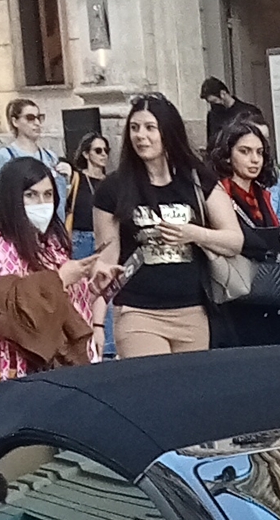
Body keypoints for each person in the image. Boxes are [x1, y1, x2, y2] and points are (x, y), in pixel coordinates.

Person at [90, 93, 237, 359]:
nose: (140, 136)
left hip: (192, 310)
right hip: (137, 311)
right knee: (154, 390)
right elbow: (107, 259)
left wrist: (192, 233)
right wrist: (97, 322)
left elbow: (234, 240)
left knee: (188, 397)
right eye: (134, 128)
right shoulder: (113, 188)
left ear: (168, 132)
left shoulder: (197, 179)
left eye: (149, 128)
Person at [0, 154, 102, 379]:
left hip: (69, 367)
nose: (42, 204)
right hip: (23, 371)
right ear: (12, 199)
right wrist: (60, 278)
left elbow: (65, 307)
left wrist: (93, 288)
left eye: (48, 195)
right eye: (31, 195)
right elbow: (9, 311)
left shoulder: (53, 244)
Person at [204, 113, 280, 350]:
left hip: (268, 293)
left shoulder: (263, 194)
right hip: (235, 294)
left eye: (259, 152)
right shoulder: (218, 193)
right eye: (245, 151)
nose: (254, 159)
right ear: (227, 156)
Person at [0, 95, 69, 204]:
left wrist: (68, 177)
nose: (37, 123)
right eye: (30, 118)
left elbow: (60, 196)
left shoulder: (50, 156)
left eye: (39, 117)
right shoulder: (4, 156)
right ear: (15, 121)